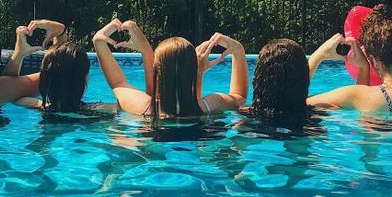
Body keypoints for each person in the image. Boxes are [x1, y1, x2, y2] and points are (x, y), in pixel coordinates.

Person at [92, 19, 248, 117]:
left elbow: (118, 83)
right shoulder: (208, 105)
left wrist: (99, 41)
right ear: (193, 70)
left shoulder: (143, 107)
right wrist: (238, 50)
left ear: (157, 72)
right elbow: (239, 97)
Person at [244, 33, 369, 123]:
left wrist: (319, 55)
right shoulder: (319, 110)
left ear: (258, 76)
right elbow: (359, 99)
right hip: (304, 131)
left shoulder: (245, 117)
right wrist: (364, 68)